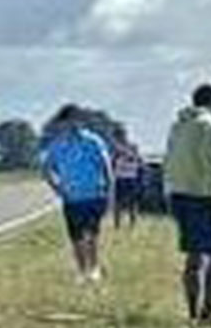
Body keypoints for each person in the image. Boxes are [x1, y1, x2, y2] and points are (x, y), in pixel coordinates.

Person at [165, 83, 211, 328]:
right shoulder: (210, 127)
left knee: (194, 257)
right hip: (205, 197)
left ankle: (193, 315)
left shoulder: (178, 125)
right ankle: (209, 315)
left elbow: (169, 160)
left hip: (180, 194)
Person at [40, 105, 114, 283]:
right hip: (71, 197)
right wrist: (57, 188)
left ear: (80, 121)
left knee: (92, 234)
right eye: (67, 121)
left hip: (94, 194)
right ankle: (82, 270)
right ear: (63, 123)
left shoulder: (93, 141)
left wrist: (110, 191)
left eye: (75, 120)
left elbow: (106, 166)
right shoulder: (57, 145)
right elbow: (46, 168)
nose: (71, 124)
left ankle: (94, 267)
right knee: (76, 237)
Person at [113, 142, 144, 230]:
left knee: (131, 204)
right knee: (119, 204)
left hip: (130, 180)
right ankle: (117, 224)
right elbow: (113, 166)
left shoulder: (136, 158)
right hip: (121, 179)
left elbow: (140, 169)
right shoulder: (118, 156)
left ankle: (132, 223)